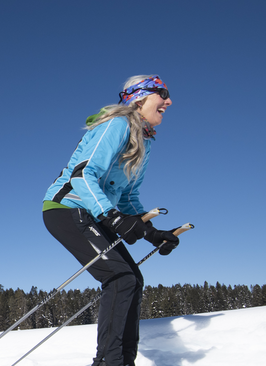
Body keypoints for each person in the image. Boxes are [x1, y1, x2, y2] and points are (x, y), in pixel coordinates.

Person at [41, 75, 182, 366]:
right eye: (163, 93)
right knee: (119, 276)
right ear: (140, 98)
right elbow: (83, 174)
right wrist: (112, 216)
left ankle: (123, 360)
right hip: (66, 208)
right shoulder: (116, 125)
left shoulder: (145, 141)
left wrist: (151, 232)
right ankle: (109, 362)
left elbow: (129, 196)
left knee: (133, 279)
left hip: (96, 213)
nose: (169, 102)